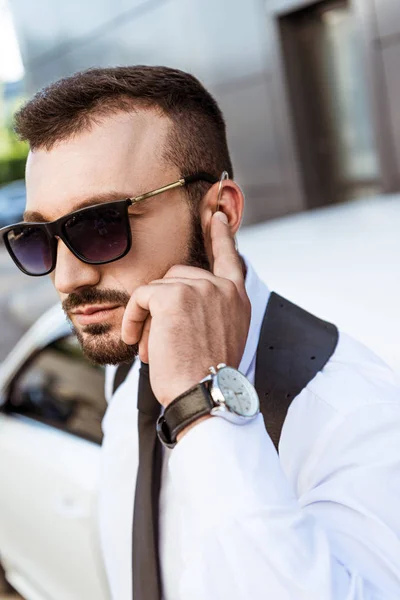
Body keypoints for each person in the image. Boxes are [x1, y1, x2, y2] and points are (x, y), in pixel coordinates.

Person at [2, 65, 400, 600]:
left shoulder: (357, 417)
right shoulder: (127, 362)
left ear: (221, 210)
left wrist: (204, 405)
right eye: (37, 239)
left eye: (100, 224)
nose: (66, 277)